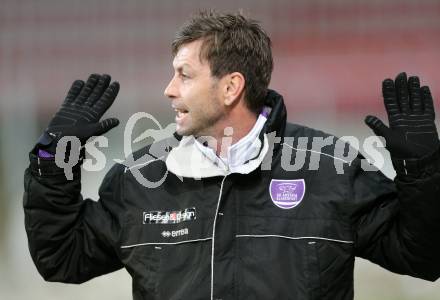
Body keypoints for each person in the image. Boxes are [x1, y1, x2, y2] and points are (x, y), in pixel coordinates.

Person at [23, 11, 440, 300]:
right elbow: (62, 257)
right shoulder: (141, 177)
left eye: (184, 74)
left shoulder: (331, 167)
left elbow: (422, 254)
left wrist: (422, 171)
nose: (169, 89)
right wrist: (52, 161)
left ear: (231, 87)